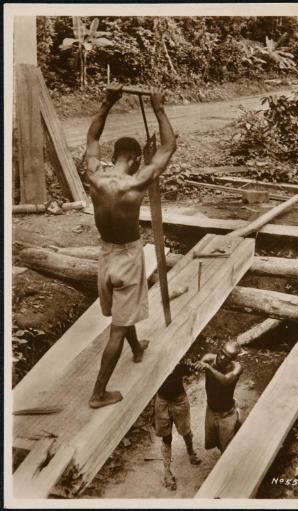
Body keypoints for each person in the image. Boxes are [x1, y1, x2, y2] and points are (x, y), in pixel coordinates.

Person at [86, 85, 176, 408]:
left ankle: (137, 349)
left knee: (125, 309)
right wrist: (158, 108)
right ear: (137, 159)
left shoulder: (95, 175)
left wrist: (107, 103)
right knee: (118, 328)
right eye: (140, 160)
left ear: (113, 158)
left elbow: (92, 139)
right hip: (126, 254)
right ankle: (98, 392)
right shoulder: (137, 182)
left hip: (105, 255)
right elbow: (169, 146)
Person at [154, 363, 201, 491]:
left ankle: (191, 452)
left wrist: (193, 367)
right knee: (166, 437)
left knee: (185, 430)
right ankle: (167, 471)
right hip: (162, 400)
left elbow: (190, 371)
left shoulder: (178, 361)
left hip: (179, 400)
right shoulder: (156, 363)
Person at [195, 340, 242, 453]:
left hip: (226, 414)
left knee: (227, 448)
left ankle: (237, 421)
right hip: (211, 410)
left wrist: (209, 368)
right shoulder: (209, 358)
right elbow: (198, 366)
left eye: (227, 356)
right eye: (221, 352)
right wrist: (195, 366)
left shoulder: (237, 368)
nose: (221, 357)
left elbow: (225, 381)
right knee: (214, 439)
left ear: (233, 359)